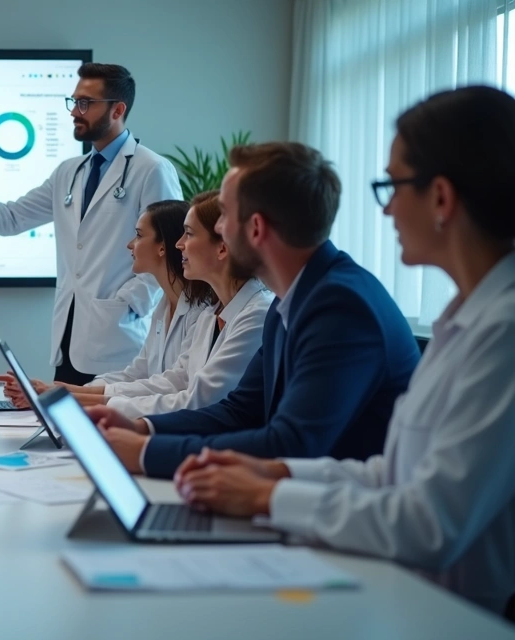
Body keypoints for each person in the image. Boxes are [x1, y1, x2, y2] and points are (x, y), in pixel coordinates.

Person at [173, 86, 515, 618]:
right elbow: (390, 474)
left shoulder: (503, 333)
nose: (388, 211)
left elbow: (431, 522)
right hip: (401, 591)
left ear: (442, 198)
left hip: (450, 614)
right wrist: (277, 477)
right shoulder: (464, 317)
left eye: (393, 186)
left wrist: (270, 497)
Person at [89, 142, 421, 479]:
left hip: (342, 513)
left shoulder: (340, 307)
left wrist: (145, 452)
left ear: (257, 228)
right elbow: (239, 411)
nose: (218, 229)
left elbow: (291, 443)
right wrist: (143, 428)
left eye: (226, 216)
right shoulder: (289, 300)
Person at [0, 63, 182, 384]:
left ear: (118, 109)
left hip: (118, 341)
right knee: (65, 429)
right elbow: (12, 218)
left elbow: (170, 250)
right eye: (74, 101)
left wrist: (128, 305)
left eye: (85, 103)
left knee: (106, 430)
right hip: (69, 339)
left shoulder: (152, 170)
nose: (74, 112)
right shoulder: (69, 171)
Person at [15, 191, 273, 417]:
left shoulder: (254, 314)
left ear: (223, 248)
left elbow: (196, 399)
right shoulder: (210, 313)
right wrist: (73, 393)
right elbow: (172, 378)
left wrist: (78, 399)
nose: (179, 244)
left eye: (190, 234)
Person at [0, 198, 211, 404]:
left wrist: (66, 396)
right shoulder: (163, 307)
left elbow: (174, 383)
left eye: (138, 235)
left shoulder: (202, 311)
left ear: (162, 246)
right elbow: (136, 373)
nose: (130, 245)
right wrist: (59, 392)